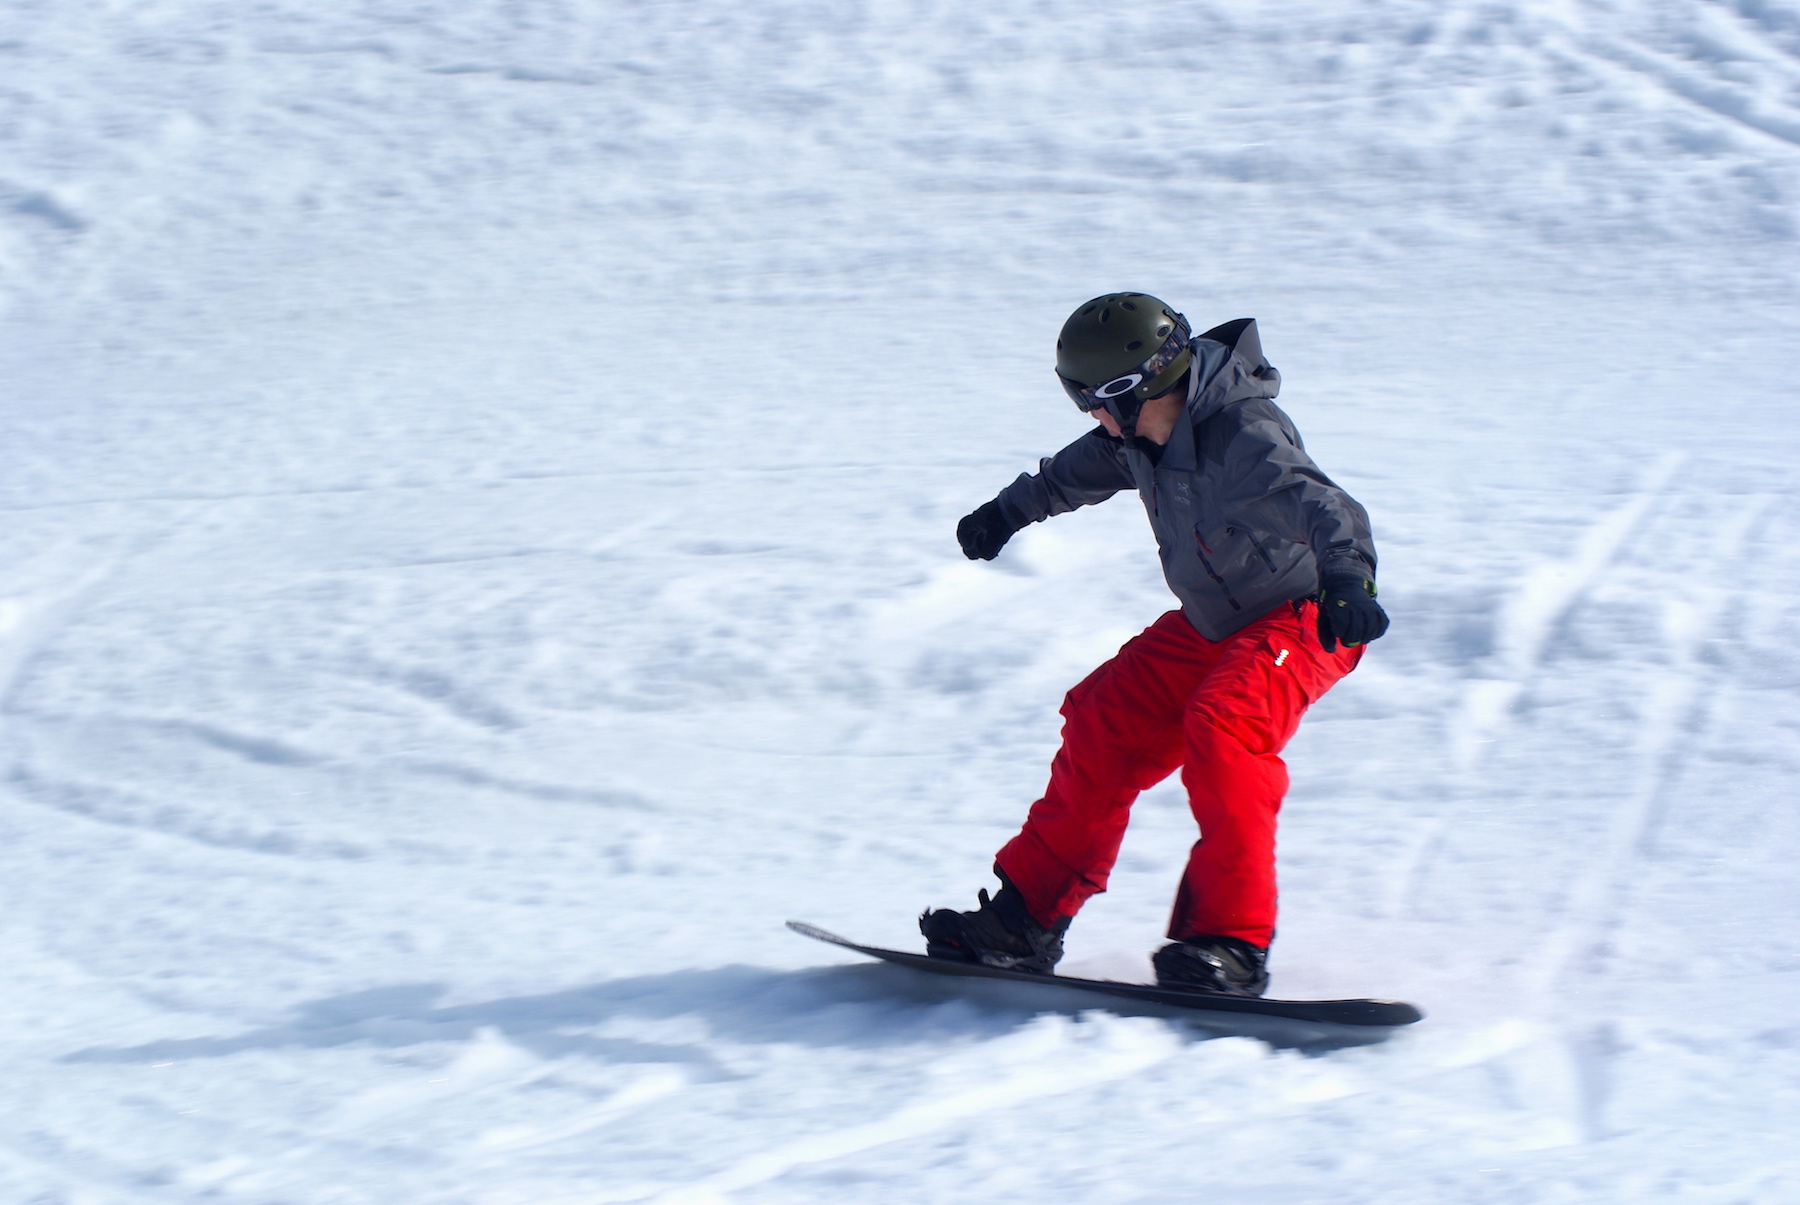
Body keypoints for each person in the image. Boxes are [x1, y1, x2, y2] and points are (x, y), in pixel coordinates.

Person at [919, 293, 1389, 997]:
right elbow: (1071, 473)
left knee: (1223, 724)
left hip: (1308, 616)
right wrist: (1006, 512)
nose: (1094, 419)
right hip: (1214, 621)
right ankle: (1025, 922)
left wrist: (1350, 579)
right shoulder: (1138, 437)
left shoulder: (1245, 436)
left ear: (1136, 389)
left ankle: (1230, 943)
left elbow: (1327, 508)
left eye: (1095, 402)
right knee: (1102, 716)